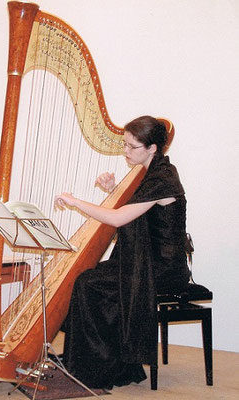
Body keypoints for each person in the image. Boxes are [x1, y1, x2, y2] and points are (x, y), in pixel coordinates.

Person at [54, 115, 191, 389]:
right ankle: (92, 358)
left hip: (162, 268)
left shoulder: (163, 177)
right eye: (124, 145)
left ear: (152, 148)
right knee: (86, 277)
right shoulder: (149, 173)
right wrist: (113, 190)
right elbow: (140, 214)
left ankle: (100, 365)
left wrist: (75, 202)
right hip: (143, 262)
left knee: (88, 284)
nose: (125, 152)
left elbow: (118, 219)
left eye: (131, 146)